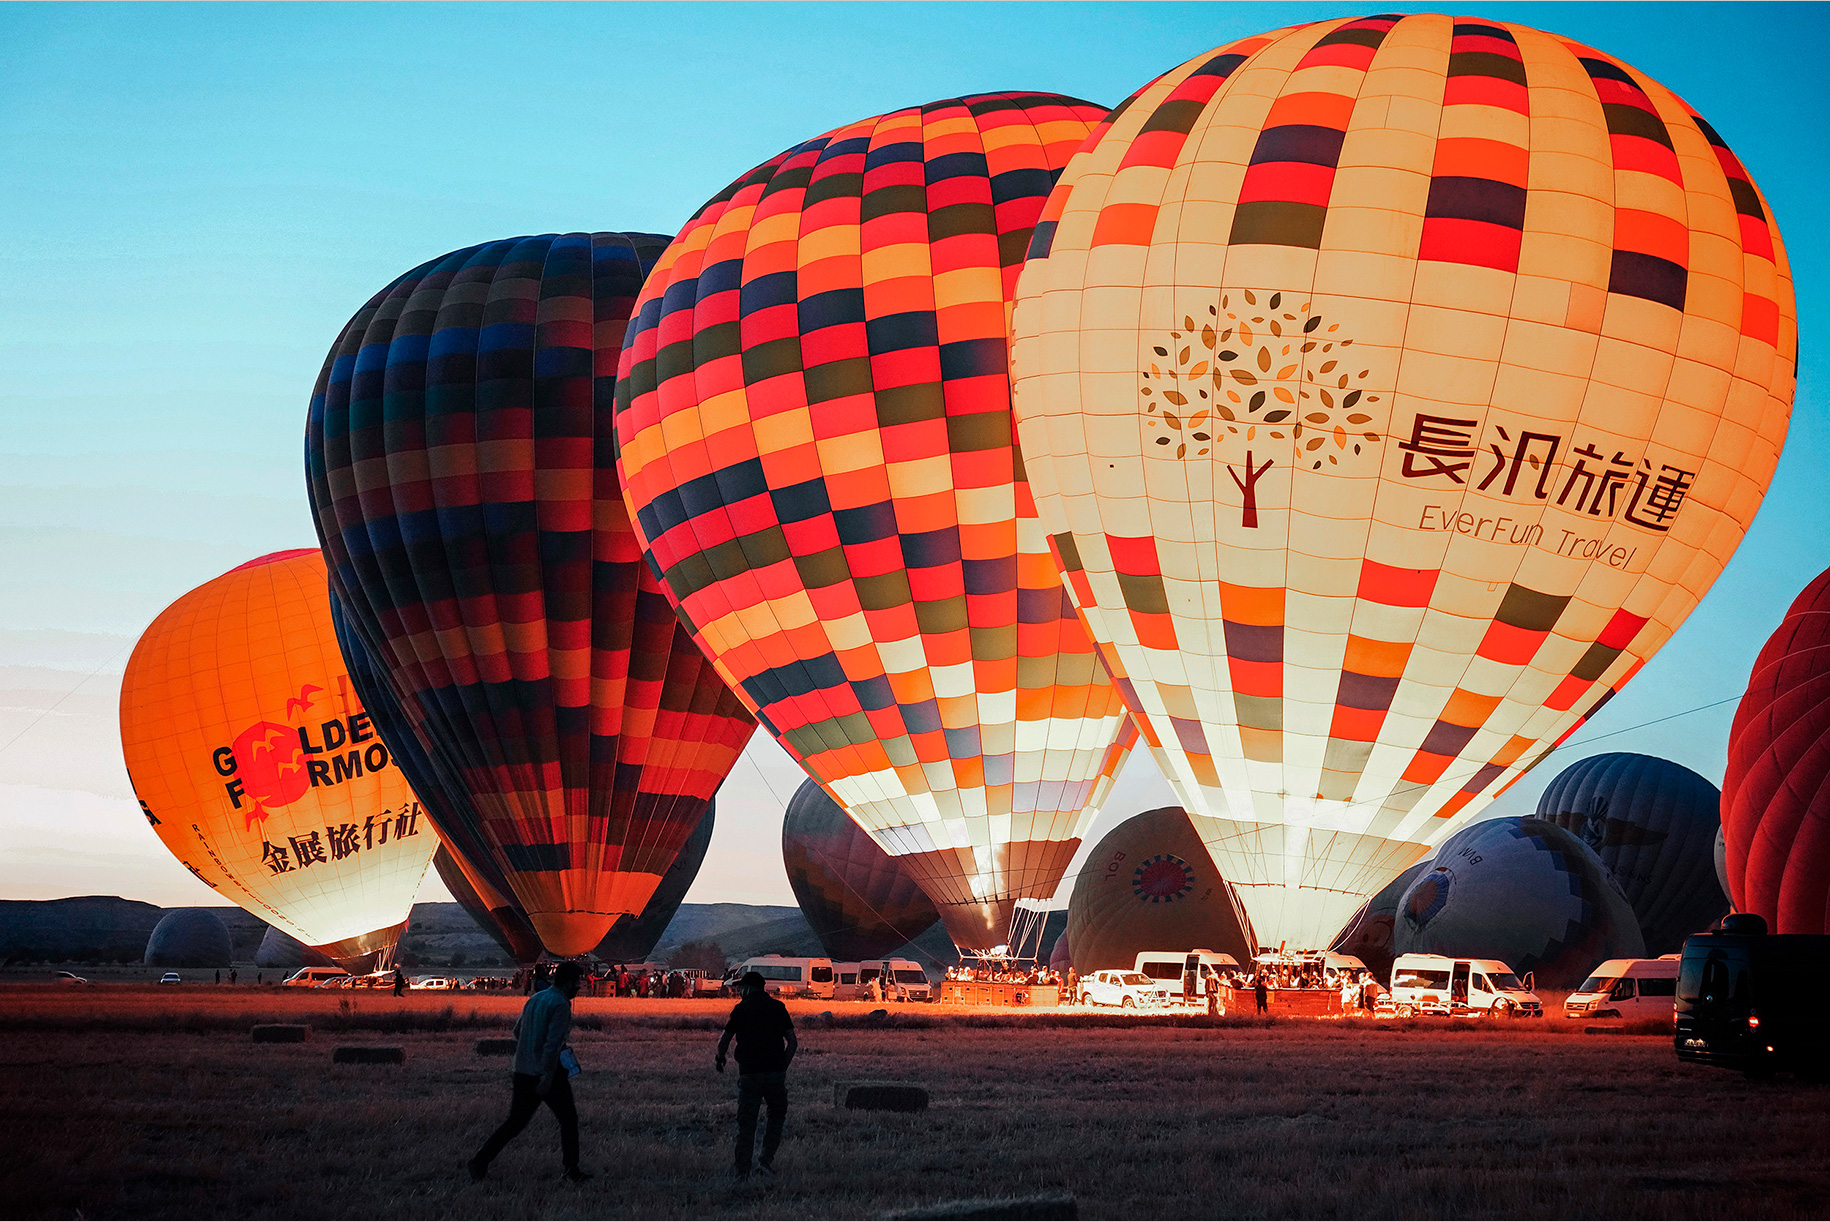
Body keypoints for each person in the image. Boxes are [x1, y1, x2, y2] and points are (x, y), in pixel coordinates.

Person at [468, 961, 590, 1183]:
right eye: (578, 982)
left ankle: (479, 1161)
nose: (579, 987)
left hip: (522, 1069)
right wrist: (547, 1075)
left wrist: (529, 1047)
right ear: (570, 983)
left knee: (514, 1123)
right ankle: (571, 1169)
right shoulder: (561, 1005)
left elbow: (517, 1030)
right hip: (547, 1074)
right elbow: (552, 1046)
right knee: (569, 1120)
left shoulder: (536, 999)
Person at [717, 970, 796, 1182]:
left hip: (750, 1073)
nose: (739, 992)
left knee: (746, 1123)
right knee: (776, 1117)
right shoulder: (778, 1008)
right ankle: (765, 1162)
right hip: (774, 1073)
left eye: (741, 988)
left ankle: (742, 1170)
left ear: (749, 989)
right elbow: (793, 1042)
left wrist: (720, 1058)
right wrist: (783, 1066)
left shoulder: (741, 1009)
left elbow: (725, 1039)